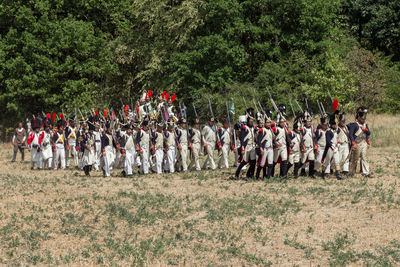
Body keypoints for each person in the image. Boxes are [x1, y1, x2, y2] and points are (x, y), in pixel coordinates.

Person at [348, 106, 371, 177]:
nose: (363, 120)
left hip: (363, 143)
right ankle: (351, 172)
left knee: (365, 157)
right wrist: (353, 142)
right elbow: (351, 134)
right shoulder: (354, 125)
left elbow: (368, 133)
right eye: (362, 118)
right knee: (354, 159)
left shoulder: (365, 125)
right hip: (357, 143)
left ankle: (366, 172)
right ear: (359, 118)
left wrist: (366, 131)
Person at [235, 108, 256, 179]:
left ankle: (250, 175)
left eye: (252, 121)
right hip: (246, 147)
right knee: (244, 161)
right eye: (250, 121)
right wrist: (243, 148)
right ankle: (237, 173)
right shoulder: (244, 128)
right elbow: (243, 139)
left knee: (253, 161)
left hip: (252, 146)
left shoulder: (253, 127)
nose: (252, 122)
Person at [321, 112, 342, 180]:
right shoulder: (328, 131)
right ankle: (323, 173)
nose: (336, 125)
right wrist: (332, 145)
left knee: (337, 161)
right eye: (335, 124)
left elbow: (336, 139)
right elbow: (328, 141)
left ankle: (338, 175)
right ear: (332, 124)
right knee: (326, 162)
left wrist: (337, 144)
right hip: (330, 148)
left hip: (335, 148)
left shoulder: (335, 131)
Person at [255, 110, 274, 179]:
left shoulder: (271, 130)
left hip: (270, 148)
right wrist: (261, 148)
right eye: (267, 123)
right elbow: (259, 141)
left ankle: (268, 177)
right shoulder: (262, 130)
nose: (269, 124)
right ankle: (257, 175)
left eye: (269, 123)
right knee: (262, 164)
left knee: (270, 163)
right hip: (264, 149)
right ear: (265, 123)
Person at [272, 107, 289, 178]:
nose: (283, 123)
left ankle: (283, 176)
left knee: (284, 161)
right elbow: (272, 138)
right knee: (274, 162)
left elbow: (287, 137)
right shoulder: (276, 129)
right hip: (277, 147)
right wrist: (275, 143)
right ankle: (271, 175)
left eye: (283, 122)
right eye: (281, 122)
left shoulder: (285, 129)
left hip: (284, 146)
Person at [300, 109, 316, 178]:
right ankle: (300, 171)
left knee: (312, 160)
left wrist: (315, 145)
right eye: (307, 121)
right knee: (302, 161)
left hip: (311, 147)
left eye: (310, 121)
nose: (309, 123)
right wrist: (302, 147)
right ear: (305, 122)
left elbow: (314, 137)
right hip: (305, 147)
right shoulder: (302, 129)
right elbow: (301, 139)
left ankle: (311, 174)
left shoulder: (312, 128)